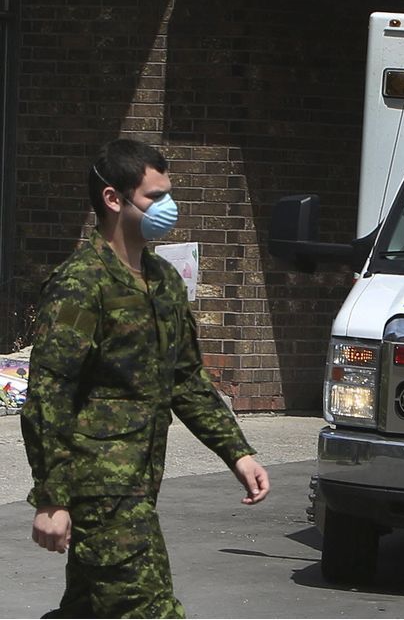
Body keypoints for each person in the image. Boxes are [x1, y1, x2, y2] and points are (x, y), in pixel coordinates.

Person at [21, 138, 270, 618]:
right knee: (146, 607)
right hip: (99, 486)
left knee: (90, 608)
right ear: (113, 200)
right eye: (155, 198)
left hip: (141, 479)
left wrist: (236, 451)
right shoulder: (82, 283)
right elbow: (49, 395)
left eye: (167, 194)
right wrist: (51, 497)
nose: (167, 207)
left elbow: (187, 381)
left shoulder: (162, 280)